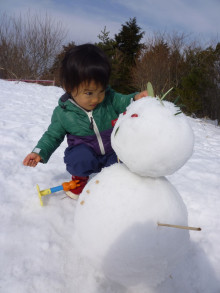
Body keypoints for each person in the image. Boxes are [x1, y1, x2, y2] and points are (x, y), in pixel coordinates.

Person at [23, 44, 148, 199]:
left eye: (101, 91)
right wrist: (38, 152)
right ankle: (80, 180)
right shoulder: (64, 113)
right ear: (69, 87)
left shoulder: (109, 99)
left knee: (123, 161)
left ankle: (116, 184)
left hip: (110, 151)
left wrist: (135, 98)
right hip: (86, 153)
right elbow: (52, 135)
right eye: (89, 93)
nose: (96, 98)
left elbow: (122, 101)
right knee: (79, 158)